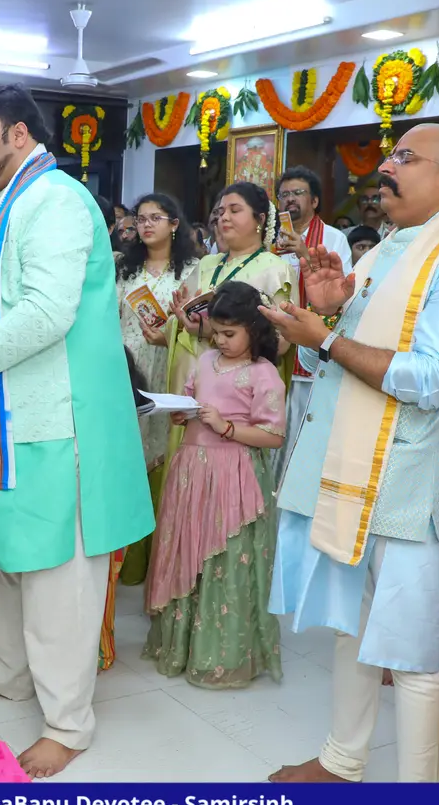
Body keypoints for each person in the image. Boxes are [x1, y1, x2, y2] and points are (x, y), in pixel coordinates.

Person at [0, 84, 153, 778]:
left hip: (55, 416)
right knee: (14, 561)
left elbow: (48, 313)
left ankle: (69, 724)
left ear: (17, 134)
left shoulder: (58, 201)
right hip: (3, 413)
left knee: (58, 578)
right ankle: (9, 673)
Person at [262, 123, 439, 783]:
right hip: (354, 470)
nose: (388, 167)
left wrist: (327, 338)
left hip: (407, 481)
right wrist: (331, 314)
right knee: (355, 623)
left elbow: (429, 379)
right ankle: (342, 760)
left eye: (406, 156)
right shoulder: (395, 248)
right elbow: (354, 346)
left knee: (411, 653)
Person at [145, 281, 286, 687]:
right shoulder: (205, 361)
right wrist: (179, 413)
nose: (221, 341)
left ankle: (223, 656)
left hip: (233, 474)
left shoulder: (263, 373)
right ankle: (183, 647)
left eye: (231, 334)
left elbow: (273, 436)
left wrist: (226, 428)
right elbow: (191, 401)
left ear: (255, 330)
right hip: (192, 469)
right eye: (217, 332)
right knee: (187, 550)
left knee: (223, 558)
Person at [167, 182, 292, 465]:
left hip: (237, 390)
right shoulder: (207, 263)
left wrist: (216, 330)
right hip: (194, 371)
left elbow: (282, 341)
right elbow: (182, 321)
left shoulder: (275, 269)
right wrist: (182, 320)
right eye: (220, 211)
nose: (223, 217)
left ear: (260, 219)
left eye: (235, 210)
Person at [115, 193, 199, 588]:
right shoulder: (123, 269)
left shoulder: (192, 272)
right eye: (141, 219)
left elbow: (201, 325)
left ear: (174, 224)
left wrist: (169, 334)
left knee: (164, 452)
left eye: (156, 218)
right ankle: (126, 562)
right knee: (127, 452)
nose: (146, 225)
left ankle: (158, 566)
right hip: (126, 367)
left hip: (169, 365)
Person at [273, 166, 351, 470]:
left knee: (303, 438)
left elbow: (343, 294)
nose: (290, 200)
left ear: (315, 201)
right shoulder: (271, 239)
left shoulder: (332, 238)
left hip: (310, 350)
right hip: (275, 348)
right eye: (284, 195)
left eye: (297, 193)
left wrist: (306, 253)